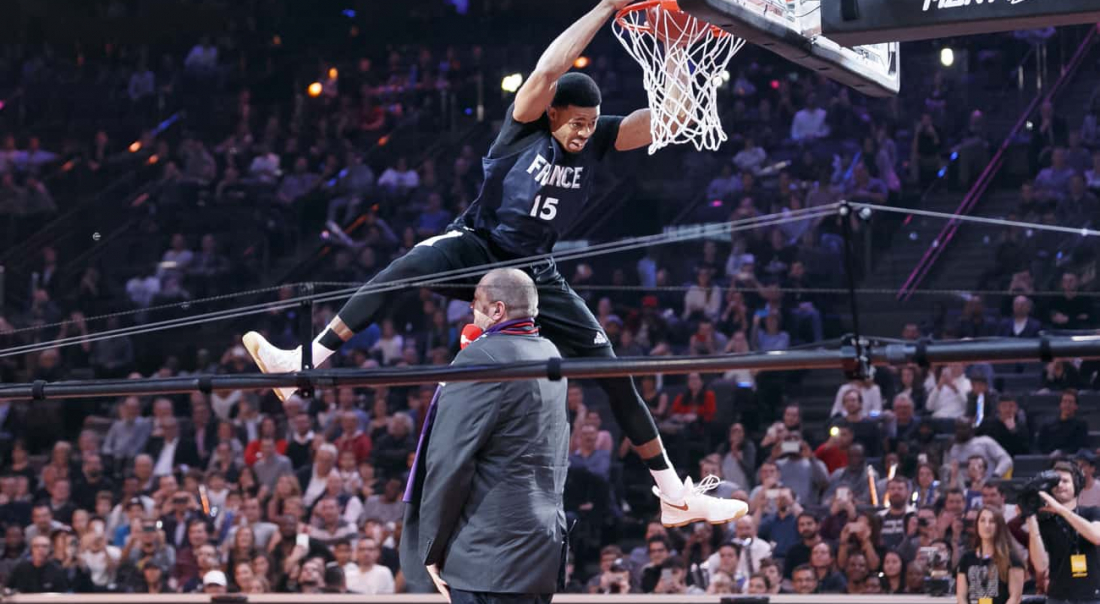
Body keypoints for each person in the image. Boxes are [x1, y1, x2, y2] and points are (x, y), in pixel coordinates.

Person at [242, 0, 744, 529]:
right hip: (480, 246)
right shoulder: (525, 126)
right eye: (575, 123)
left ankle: (673, 496)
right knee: (406, 265)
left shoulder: (598, 139)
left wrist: (674, 52)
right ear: (552, 113)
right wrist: (606, 6)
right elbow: (550, 70)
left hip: (535, 273)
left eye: (591, 124)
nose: (582, 133)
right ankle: (302, 361)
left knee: (614, 372)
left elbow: (677, 117)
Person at [399, 269, 570, 602]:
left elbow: (449, 460)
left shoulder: (482, 356)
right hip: (539, 554)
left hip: (487, 560)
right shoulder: (549, 352)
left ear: (497, 310)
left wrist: (430, 546)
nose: (470, 312)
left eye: (475, 303)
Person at [1027, 461, 1100, 604]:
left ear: (1077, 484)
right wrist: (1031, 520)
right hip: (1058, 597)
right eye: (1055, 482)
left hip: (1093, 596)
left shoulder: (1092, 512)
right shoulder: (1045, 523)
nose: (1059, 485)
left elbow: (1097, 537)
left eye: (1065, 481)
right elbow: (1041, 567)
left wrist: (1060, 510)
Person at [957, 507, 1024, 604]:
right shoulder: (967, 558)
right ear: (977, 525)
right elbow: (961, 596)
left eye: (992, 521)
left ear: (999, 526)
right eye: (982, 521)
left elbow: (1015, 597)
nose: (987, 525)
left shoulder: (1011, 558)